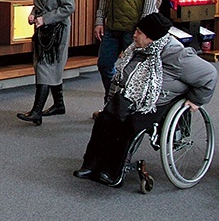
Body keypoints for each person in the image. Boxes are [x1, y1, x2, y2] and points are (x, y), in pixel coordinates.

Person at [74, 12, 217, 186]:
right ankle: (91, 165)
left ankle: (113, 171)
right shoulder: (137, 48)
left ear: (151, 37)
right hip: (131, 97)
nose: (134, 35)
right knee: (105, 119)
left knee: (129, 125)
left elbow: (209, 74)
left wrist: (196, 100)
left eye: (139, 32)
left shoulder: (176, 54)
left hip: (157, 101)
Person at [16, 0, 75, 125]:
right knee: (50, 68)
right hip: (45, 31)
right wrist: (34, 14)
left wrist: (45, 18)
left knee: (45, 67)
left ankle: (36, 111)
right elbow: (40, 3)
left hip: (57, 33)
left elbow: (69, 7)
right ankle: (59, 104)